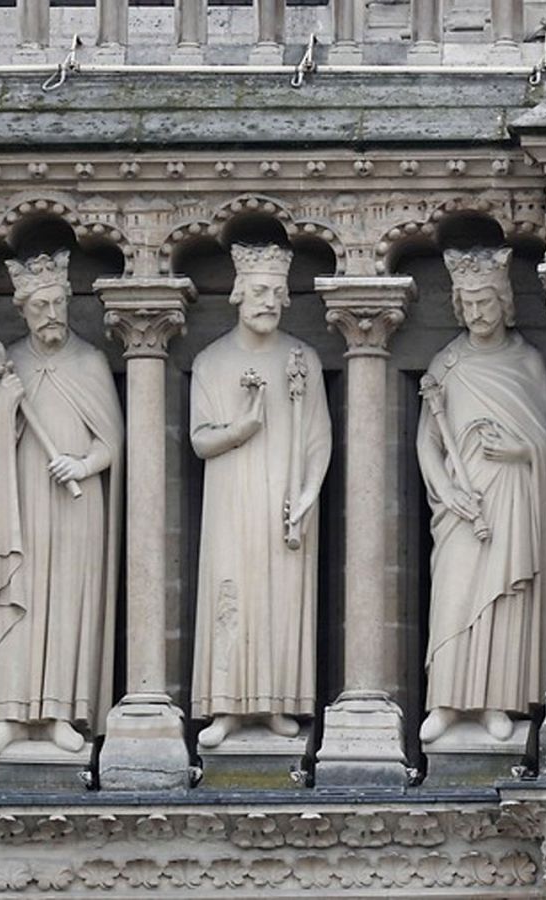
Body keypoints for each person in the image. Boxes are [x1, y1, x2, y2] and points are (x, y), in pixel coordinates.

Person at [0, 251, 123, 757]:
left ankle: (62, 711)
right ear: (23, 309)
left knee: (66, 603)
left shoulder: (89, 361)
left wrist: (83, 465)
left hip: (76, 505)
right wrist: (5, 405)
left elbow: (113, 443)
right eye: (42, 305)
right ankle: (11, 715)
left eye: (59, 303)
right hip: (22, 504)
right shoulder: (10, 362)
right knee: (21, 599)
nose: (52, 314)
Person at [416, 246, 546, 744]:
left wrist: (522, 449)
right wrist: (445, 489)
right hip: (461, 506)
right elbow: (427, 441)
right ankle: (449, 702)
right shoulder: (447, 363)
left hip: (512, 500)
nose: (477, 313)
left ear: (504, 302)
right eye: (468, 303)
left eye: (486, 302)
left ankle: (498, 700)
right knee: (455, 599)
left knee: (504, 600)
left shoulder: (526, 361)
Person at [189, 243, 331, 749]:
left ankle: (273, 704)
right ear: (237, 294)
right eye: (259, 291)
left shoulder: (302, 359)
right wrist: (243, 428)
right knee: (232, 593)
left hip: (283, 503)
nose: (269, 301)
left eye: (277, 292)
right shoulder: (211, 361)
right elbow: (200, 439)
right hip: (230, 502)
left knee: (279, 595)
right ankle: (225, 706)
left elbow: (318, 439)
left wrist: (309, 493)